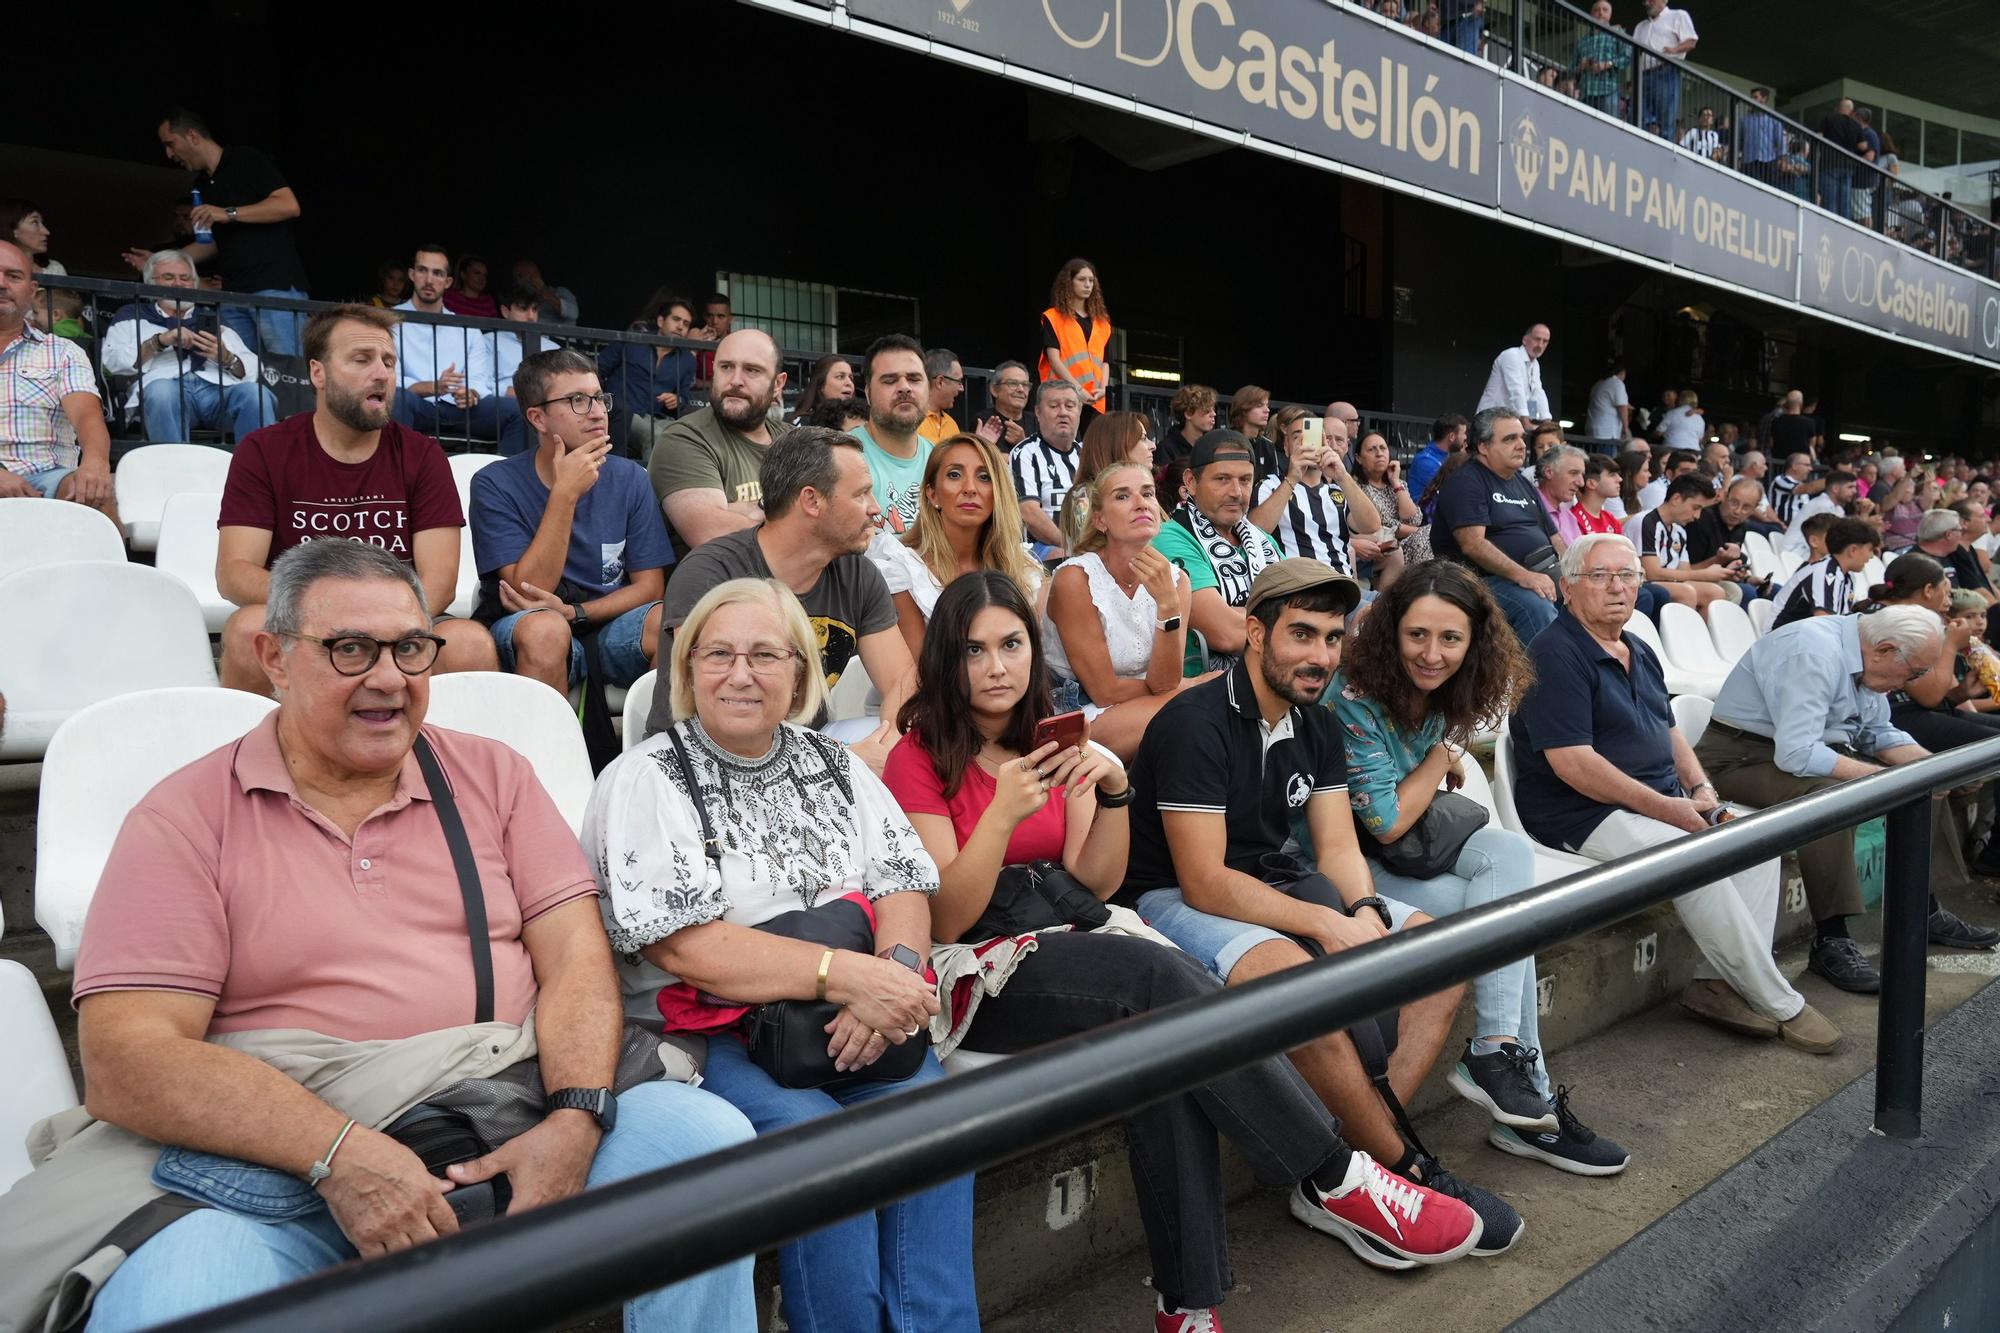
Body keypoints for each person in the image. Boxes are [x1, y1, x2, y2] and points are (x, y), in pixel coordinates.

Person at [42, 540, 757, 1332]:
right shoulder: (185, 816)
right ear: (273, 658)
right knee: (181, 1296)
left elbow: (579, 962)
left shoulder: (495, 775)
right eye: (350, 648)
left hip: (505, 1110)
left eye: (411, 648)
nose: (388, 677)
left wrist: (576, 1116)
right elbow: (125, 1056)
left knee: (705, 1144)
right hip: (275, 1170)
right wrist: (339, 1152)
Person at [884, 573, 1484, 1315]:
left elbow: (1093, 883)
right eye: (975, 650)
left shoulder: (1047, 737)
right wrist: (1002, 816)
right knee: (1160, 977)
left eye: (1011, 644)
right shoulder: (918, 757)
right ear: (947, 659)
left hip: (1071, 937)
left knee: (1164, 1053)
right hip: (980, 968)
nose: (998, 666)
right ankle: (1337, 1174)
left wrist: (1111, 797)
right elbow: (948, 915)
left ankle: (1188, 1306)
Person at [585, 576, 977, 1331]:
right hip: (711, 1032)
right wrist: (843, 976)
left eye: (765, 654)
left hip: (850, 1008)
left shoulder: (832, 763)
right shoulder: (645, 778)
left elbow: (901, 883)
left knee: (937, 1115)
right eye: (719, 654)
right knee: (817, 1148)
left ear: (799, 672)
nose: (740, 673)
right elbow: (683, 945)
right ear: (687, 667)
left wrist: (892, 982)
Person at [1118, 559, 1525, 1257]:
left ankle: (1349, 1164)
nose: (1320, 656)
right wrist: (1328, 923)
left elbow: (1338, 845)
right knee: (1298, 985)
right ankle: (1404, 1170)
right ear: (1253, 631)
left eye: (1332, 638)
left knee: (1438, 950)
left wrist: (1362, 905)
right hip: (1171, 897)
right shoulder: (1196, 721)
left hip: (1276, 880)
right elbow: (1206, 880)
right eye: (1302, 634)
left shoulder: (1315, 718)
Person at [1331, 560, 1630, 1173]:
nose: (1432, 654)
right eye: (1417, 635)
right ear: (1392, 633)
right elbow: (1383, 822)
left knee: (1512, 863)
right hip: (1347, 873)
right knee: (1508, 920)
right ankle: (1526, 1100)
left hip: (1405, 857)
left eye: (1450, 638)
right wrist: (1443, 756)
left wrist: (1437, 759)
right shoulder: (1355, 698)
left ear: (1473, 642)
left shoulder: (1452, 689)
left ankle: (1501, 1054)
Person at [1512, 534, 1842, 1053]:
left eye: (1629, 576)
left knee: (1759, 845)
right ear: (1568, 587)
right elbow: (1573, 766)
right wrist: (1671, 810)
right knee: (1696, 863)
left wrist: (1702, 791)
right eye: (1601, 576)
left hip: (1660, 800)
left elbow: (1669, 731)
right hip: (1581, 814)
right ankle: (1781, 1002)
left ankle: (1716, 986)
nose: (1618, 588)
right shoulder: (1554, 655)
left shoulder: (1637, 647)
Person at [1697, 604, 1993, 993]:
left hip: (1796, 754)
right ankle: (1831, 938)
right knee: (1834, 797)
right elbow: (1797, 754)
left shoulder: (1866, 654)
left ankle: (1923, 909)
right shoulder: (1813, 652)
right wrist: (1888, 779)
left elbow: (1878, 732)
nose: (1909, 683)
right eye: (1913, 672)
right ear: (1884, 650)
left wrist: (1930, 770)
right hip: (1736, 760)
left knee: (1924, 783)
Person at [215, 304, 497, 694]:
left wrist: (372, 626)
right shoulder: (264, 450)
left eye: (388, 361)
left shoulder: (422, 455)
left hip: (400, 622)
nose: (381, 373)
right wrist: (332, 615)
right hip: (306, 621)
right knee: (248, 630)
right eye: (362, 360)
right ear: (318, 372)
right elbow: (235, 572)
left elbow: (440, 583)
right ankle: (252, 757)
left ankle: (448, 758)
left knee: (470, 644)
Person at [640, 427, 916, 761]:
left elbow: (901, 683)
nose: (875, 508)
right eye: (861, 494)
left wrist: (889, 742)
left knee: (913, 754)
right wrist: (838, 764)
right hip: (698, 756)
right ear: (811, 500)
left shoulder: (858, 574)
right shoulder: (710, 574)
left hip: (807, 745)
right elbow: (722, 708)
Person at [469, 350, 670, 695]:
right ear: (538, 418)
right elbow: (528, 589)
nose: (597, 412)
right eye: (577, 400)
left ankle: (660, 747)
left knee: (675, 625)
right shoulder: (494, 483)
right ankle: (541, 751)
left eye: (598, 398)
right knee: (545, 630)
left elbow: (650, 588)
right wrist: (564, 494)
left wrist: (576, 612)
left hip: (605, 624)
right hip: (525, 626)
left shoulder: (631, 478)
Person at [1044, 462, 1201, 762]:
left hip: (1149, 703)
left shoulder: (1177, 582)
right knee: (1196, 710)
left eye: (1148, 493)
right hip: (1076, 715)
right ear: (1100, 520)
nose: (1141, 503)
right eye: (1122, 496)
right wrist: (1188, 686)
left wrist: (1168, 605)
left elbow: (1164, 681)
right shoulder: (1076, 579)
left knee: (1201, 710)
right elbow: (1105, 691)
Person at [148, 107, 310, 356]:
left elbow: (288, 205)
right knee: (240, 372)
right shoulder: (201, 184)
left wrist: (227, 213)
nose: (169, 154)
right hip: (232, 294)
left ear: (192, 135)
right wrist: (159, 262)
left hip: (273, 287)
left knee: (288, 372)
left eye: (171, 144)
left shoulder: (246, 160)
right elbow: (211, 243)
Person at [881, 432, 1042, 658]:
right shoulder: (904, 570)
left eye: (984, 477)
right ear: (932, 493)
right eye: (954, 475)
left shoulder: (1021, 567)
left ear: (998, 493)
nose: (970, 488)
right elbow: (918, 674)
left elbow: (1034, 660)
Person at [101, 249, 277, 443]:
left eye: (185, 278)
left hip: (216, 393)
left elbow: (253, 368)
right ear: (151, 282)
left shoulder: (213, 319)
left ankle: (258, 469)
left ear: (194, 284)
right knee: (162, 391)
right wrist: (158, 342)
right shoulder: (131, 314)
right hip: (166, 392)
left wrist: (227, 358)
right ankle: (175, 470)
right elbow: (111, 363)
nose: (178, 283)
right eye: (169, 277)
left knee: (256, 394)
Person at [649, 329, 792, 562]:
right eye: (726, 367)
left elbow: (829, 516)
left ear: (778, 384)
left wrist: (739, 509)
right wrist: (788, 512)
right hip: (718, 591)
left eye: (751, 370)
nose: (735, 381)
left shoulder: (793, 442)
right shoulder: (685, 438)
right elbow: (712, 533)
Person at [0, 241, 118, 520]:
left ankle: (113, 566)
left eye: (13, 276)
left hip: (49, 477)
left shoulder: (62, 351)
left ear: (31, 292)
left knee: (95, 496)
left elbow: (87, 414)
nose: (1, 283)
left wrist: (95, 464)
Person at [1155, 430, 1284, 677]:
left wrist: (1240, 613)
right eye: (1222, 479)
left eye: (1245, 480)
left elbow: (1305, 600)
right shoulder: (1170, 537)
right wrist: (1290, 624)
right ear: (1191, 482)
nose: (1236, 491)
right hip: (1204, 687)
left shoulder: (1261, 539)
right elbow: (1224, 632)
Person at [1432, 407, 1561, 645]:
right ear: (1483, 446)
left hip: (1536, 573)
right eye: (1510, 439)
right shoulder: (1467, 481)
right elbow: (1473, 544)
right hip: (1476, 581)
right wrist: (1525, 576)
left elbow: (1555, 538)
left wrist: (1575, 575)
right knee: (1537, 606)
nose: (1522, 445)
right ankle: (1544, 680)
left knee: (1594, 595)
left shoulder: (1522, 482)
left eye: (1522, 437)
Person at [390, 244, 527, 456]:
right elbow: (386, 377)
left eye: (437, 273)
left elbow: (479, 380)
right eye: (422, 270)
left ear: (448, 282)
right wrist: (430, 387)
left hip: (460, 409)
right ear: (412, 274)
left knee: (518, 411)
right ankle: (398, 479)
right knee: (397, 398)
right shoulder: (390, 321)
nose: (429, 280)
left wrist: (470, 393)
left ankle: (505, 481)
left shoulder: (466, 328)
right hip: (415, 406)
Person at [1253, 406, 1382, 575]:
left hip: (1342, 588)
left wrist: (1342, 476)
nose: (1306, 444)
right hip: (1299, 587)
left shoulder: (1339, 491)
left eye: (1312, 438)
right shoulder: (1270, 486)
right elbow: (1256, 531)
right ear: (1286, 447)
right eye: (1297, 437)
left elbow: (1371, 526)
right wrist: (1292, 478)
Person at [599, 291, 701, 458]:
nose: (681, 326)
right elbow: (599, 368)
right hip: (623, 414)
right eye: (676, 319)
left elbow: (684, 397)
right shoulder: (632, 340)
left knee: (686, 438)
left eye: (686, 323)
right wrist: (602, 403)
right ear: (661, 321)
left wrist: (677, 400)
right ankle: (649, 485)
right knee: (654, 436)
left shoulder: (687, 360)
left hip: (658, 418)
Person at [854, 334, 933, 533]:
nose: (904, 387)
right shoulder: (842, 457)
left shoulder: (941, 460)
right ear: (868, 393)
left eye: (914, 379)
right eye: (890, 381)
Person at [1056, 409, 1157, 548]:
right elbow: (1092, 553)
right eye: (1143, 438)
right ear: (1117, 444)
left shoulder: (1145, 491)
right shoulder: (1083, 496)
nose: (1153, 446)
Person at [1637, 474, 1735, 612]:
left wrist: (1718, 563)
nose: (1697, 516)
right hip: (1644, 582)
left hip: (1671, 583)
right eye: (1696, 507)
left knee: (1715, 592)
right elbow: (1652, 573)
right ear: (1676, 498)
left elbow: (1686, 572)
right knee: (1686, 592)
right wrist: (1704, 574)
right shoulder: (1646, 521)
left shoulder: (1679, 531)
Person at [1009, 380, 1084, 553]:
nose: (1063, 413)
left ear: (1079, 411)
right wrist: (1073, 548)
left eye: (1070, 406)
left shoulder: (1087, 453)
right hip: (1041, 548)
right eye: (1054, 406)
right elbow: (1029, 513)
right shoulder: (1025, 452)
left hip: (1087, 548)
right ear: (1038, 412)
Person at [1772, 518, 1880, 629]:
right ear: (1853, 550)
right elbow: (1825, 625)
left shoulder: (1848, 577)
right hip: (1778, 641)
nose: (1871, 556)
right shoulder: (1823, 573)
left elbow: (1841, 622)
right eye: (1870, 549)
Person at [1039, 257, 1112, 417]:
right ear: (1069, 282)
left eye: (1091, 281)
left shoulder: (1102, 323)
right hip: (1063, 396)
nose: (1087, 285)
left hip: (1095, 398)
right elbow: (1054, 359)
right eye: (1082, 279)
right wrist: (1077, 389)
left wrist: (1103, 389)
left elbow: (1105, 361)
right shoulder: (1054, 317)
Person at [1353, 429, 1419, 590]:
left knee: (1425, 537)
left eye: (1383, 448)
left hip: (1403, 541)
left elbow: (1413, 517)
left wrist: (1395, 482)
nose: (1379, 453)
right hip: (1382, 544)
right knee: (1424, 537)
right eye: (1372, 449)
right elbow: (1386, 524)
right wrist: (1418, 531)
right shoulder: (1356, 487)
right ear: (1358, 458)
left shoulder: (1398, 484)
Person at [1632, 0, 1697, 142]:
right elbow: (1634, 52)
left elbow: (1691, 41)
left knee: (1665, 119)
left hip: (1665, 71)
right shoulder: (1641, 26)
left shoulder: (1677, 15)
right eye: (1645, 1)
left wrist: (1674, 50)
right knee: (1639, 118)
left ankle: (1663, 152)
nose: (1647, 3)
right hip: (1643, 75)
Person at [1475, 324, 1551, 421]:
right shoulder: (1512, 355)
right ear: (1524, 340)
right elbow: (1516, 390)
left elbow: (1535, 394)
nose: (1540, 345)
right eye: (1537, 339)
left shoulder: (1535, 365)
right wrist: (1526, 422)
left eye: (1545, 341)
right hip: (1489, 419)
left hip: (1506, 421)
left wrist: (1545, 420)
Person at [1781, 469, 1858, 558]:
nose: (1854, 491)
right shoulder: (1822, 505)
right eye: (1850, 487)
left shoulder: (1838, 509)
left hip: (1810, 550)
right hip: (1796, 553)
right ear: (1835, 489)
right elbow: (1835, 538)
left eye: (1855, 487)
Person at [1155, 382, 1219, 485]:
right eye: (1207, 410)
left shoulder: (1212, 447)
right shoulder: (1166, 448)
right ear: (1188, 413)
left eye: (1213, 409)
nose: (1214, 414)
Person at [1574, 0, 1629, 117]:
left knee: (1608, 130)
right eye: (1596, 10)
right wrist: (1581, 66)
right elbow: (1571, 68)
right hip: (1586, 92)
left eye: (1605, 10)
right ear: (1591, 14)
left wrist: (1607, 64)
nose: (1600, 13)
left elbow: (1628, 57)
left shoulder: (1618, 32)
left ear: (1610, 14)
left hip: (1609, 90)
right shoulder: (1582, 41)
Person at [1407, 413, 1468, 509]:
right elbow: (1455, 490)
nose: (1466, 438)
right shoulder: (1425, 461)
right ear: (1452, 436)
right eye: (1464, 433)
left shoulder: (1448, 456)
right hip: (1423, 519)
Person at [1537, 444, 1589, 546]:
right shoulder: (1526, 507)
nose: (1581, 483)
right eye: (1573, 473)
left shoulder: (1570, 517)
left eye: (1582, 475)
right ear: (1548, 472)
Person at [1739, 86, 1787, 187]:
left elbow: (1780, 140)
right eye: (1751, 97)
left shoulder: (1774, 119)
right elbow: (1740, 141)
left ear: (1764, 99)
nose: (1751, 100)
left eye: (1755, 97)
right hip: (1749, 161)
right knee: (1749, 189)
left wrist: (1782, 159)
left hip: (1769, 160)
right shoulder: (1744, 120)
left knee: (1769, 190)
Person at [981, 360, 1034, 450]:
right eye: (1013, 383)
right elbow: (989, 459)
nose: (1021, 389)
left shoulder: (1036, 421)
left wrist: (1023, 443)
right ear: (994, 390)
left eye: (1025, 384)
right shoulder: (984, 420)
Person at [793, 352, 858, 425]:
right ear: (820, 385)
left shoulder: (860, 421)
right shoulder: (804, 423)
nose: (849, 383)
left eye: (851, 378)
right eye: (840, 377)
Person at [1, 199, 62, 274]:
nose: (46, 232)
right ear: (12, 230)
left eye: (41, 223)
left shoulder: (55, 270)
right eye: (34, 222)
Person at [918, 346, 965, 444]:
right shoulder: (912, 421)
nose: (962, 388)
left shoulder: (951, 424)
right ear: (940, 382)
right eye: (958, 381)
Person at [511, 258, 579, 325]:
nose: (528, 278)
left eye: (532, 274)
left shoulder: (561, 292)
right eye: (520, 275)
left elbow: (573, 314)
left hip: (559, 335)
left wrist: (542, 289)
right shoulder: (517, 299)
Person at [441, 254, 498, 319]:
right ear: (463, 275)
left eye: (484, 275)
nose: (481, 278)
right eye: (477, 273)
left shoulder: (488, 301)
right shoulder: (450, 297)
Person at [1585, 361, 1630, 442]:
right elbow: (1622, 407)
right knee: (1605, 455)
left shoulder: (1598, 383)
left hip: (1592, 430)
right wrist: (1625, 427)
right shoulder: (1617, 384)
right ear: (1622, 372)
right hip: (1606, 433)